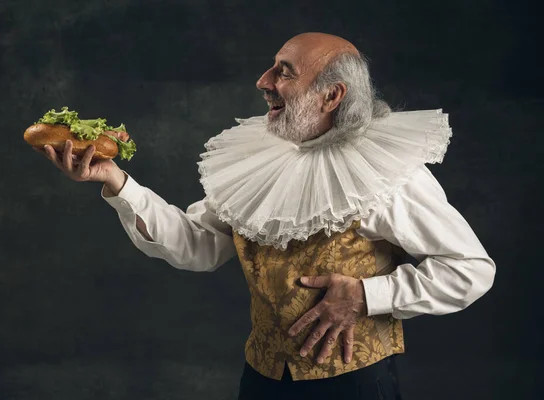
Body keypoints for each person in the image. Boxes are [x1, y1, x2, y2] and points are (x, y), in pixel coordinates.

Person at [35, 32, 495, 400]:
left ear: (331, 95)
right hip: (262, 378)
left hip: (352, 384)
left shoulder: (386, 175)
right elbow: (199, 246)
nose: (263, 79)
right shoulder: (263, 160)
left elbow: (470, 270)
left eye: (284, 71)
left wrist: (366, 295)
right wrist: (117, 182)